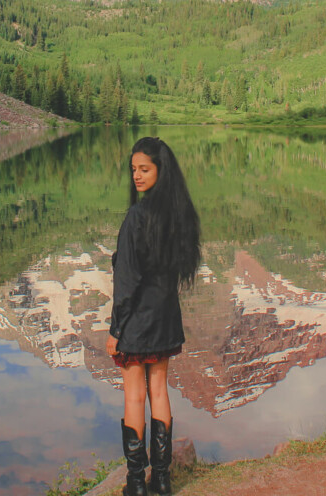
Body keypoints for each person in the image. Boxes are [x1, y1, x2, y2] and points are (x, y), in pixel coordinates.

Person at [107, 137, 202, 496]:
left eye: (144, 169)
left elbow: (127, 280)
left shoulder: (137, 216)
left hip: (137, 323)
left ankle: (135, 483)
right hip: (166, 319)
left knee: (134, 397)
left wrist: (116, 330)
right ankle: (161, 480)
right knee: (159, 392)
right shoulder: (178, 215)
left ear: (160, 171)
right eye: (133, 169)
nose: (137, 176)